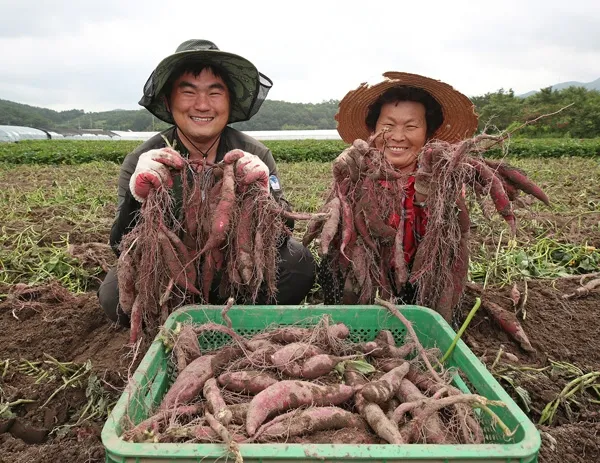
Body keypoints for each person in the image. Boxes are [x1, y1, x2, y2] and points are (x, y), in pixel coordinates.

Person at [98, 39, 315, 326]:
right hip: (170, 273)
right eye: (188, 92)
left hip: (235, 268)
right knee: (115, 298)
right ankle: (177, 316)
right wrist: (136, 199)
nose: (202, 105)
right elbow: (120, 245)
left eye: (215, 92)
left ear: (229, 101)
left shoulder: (255, 154)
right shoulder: (144, 159)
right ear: (168, 101)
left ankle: (234, 319)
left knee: (298, 265)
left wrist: (265, 197)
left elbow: (283, 235)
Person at [318, 71, 479, 311]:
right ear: (373, 130)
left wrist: (427, 197)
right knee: (334, 269)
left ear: (428, 134)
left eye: (411, 126)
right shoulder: (356, 170)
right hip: (365, 277)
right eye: (388, 126)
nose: (398, 137)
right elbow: (337, 235)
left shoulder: (443, 178)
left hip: (420, 279)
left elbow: (451, 240)